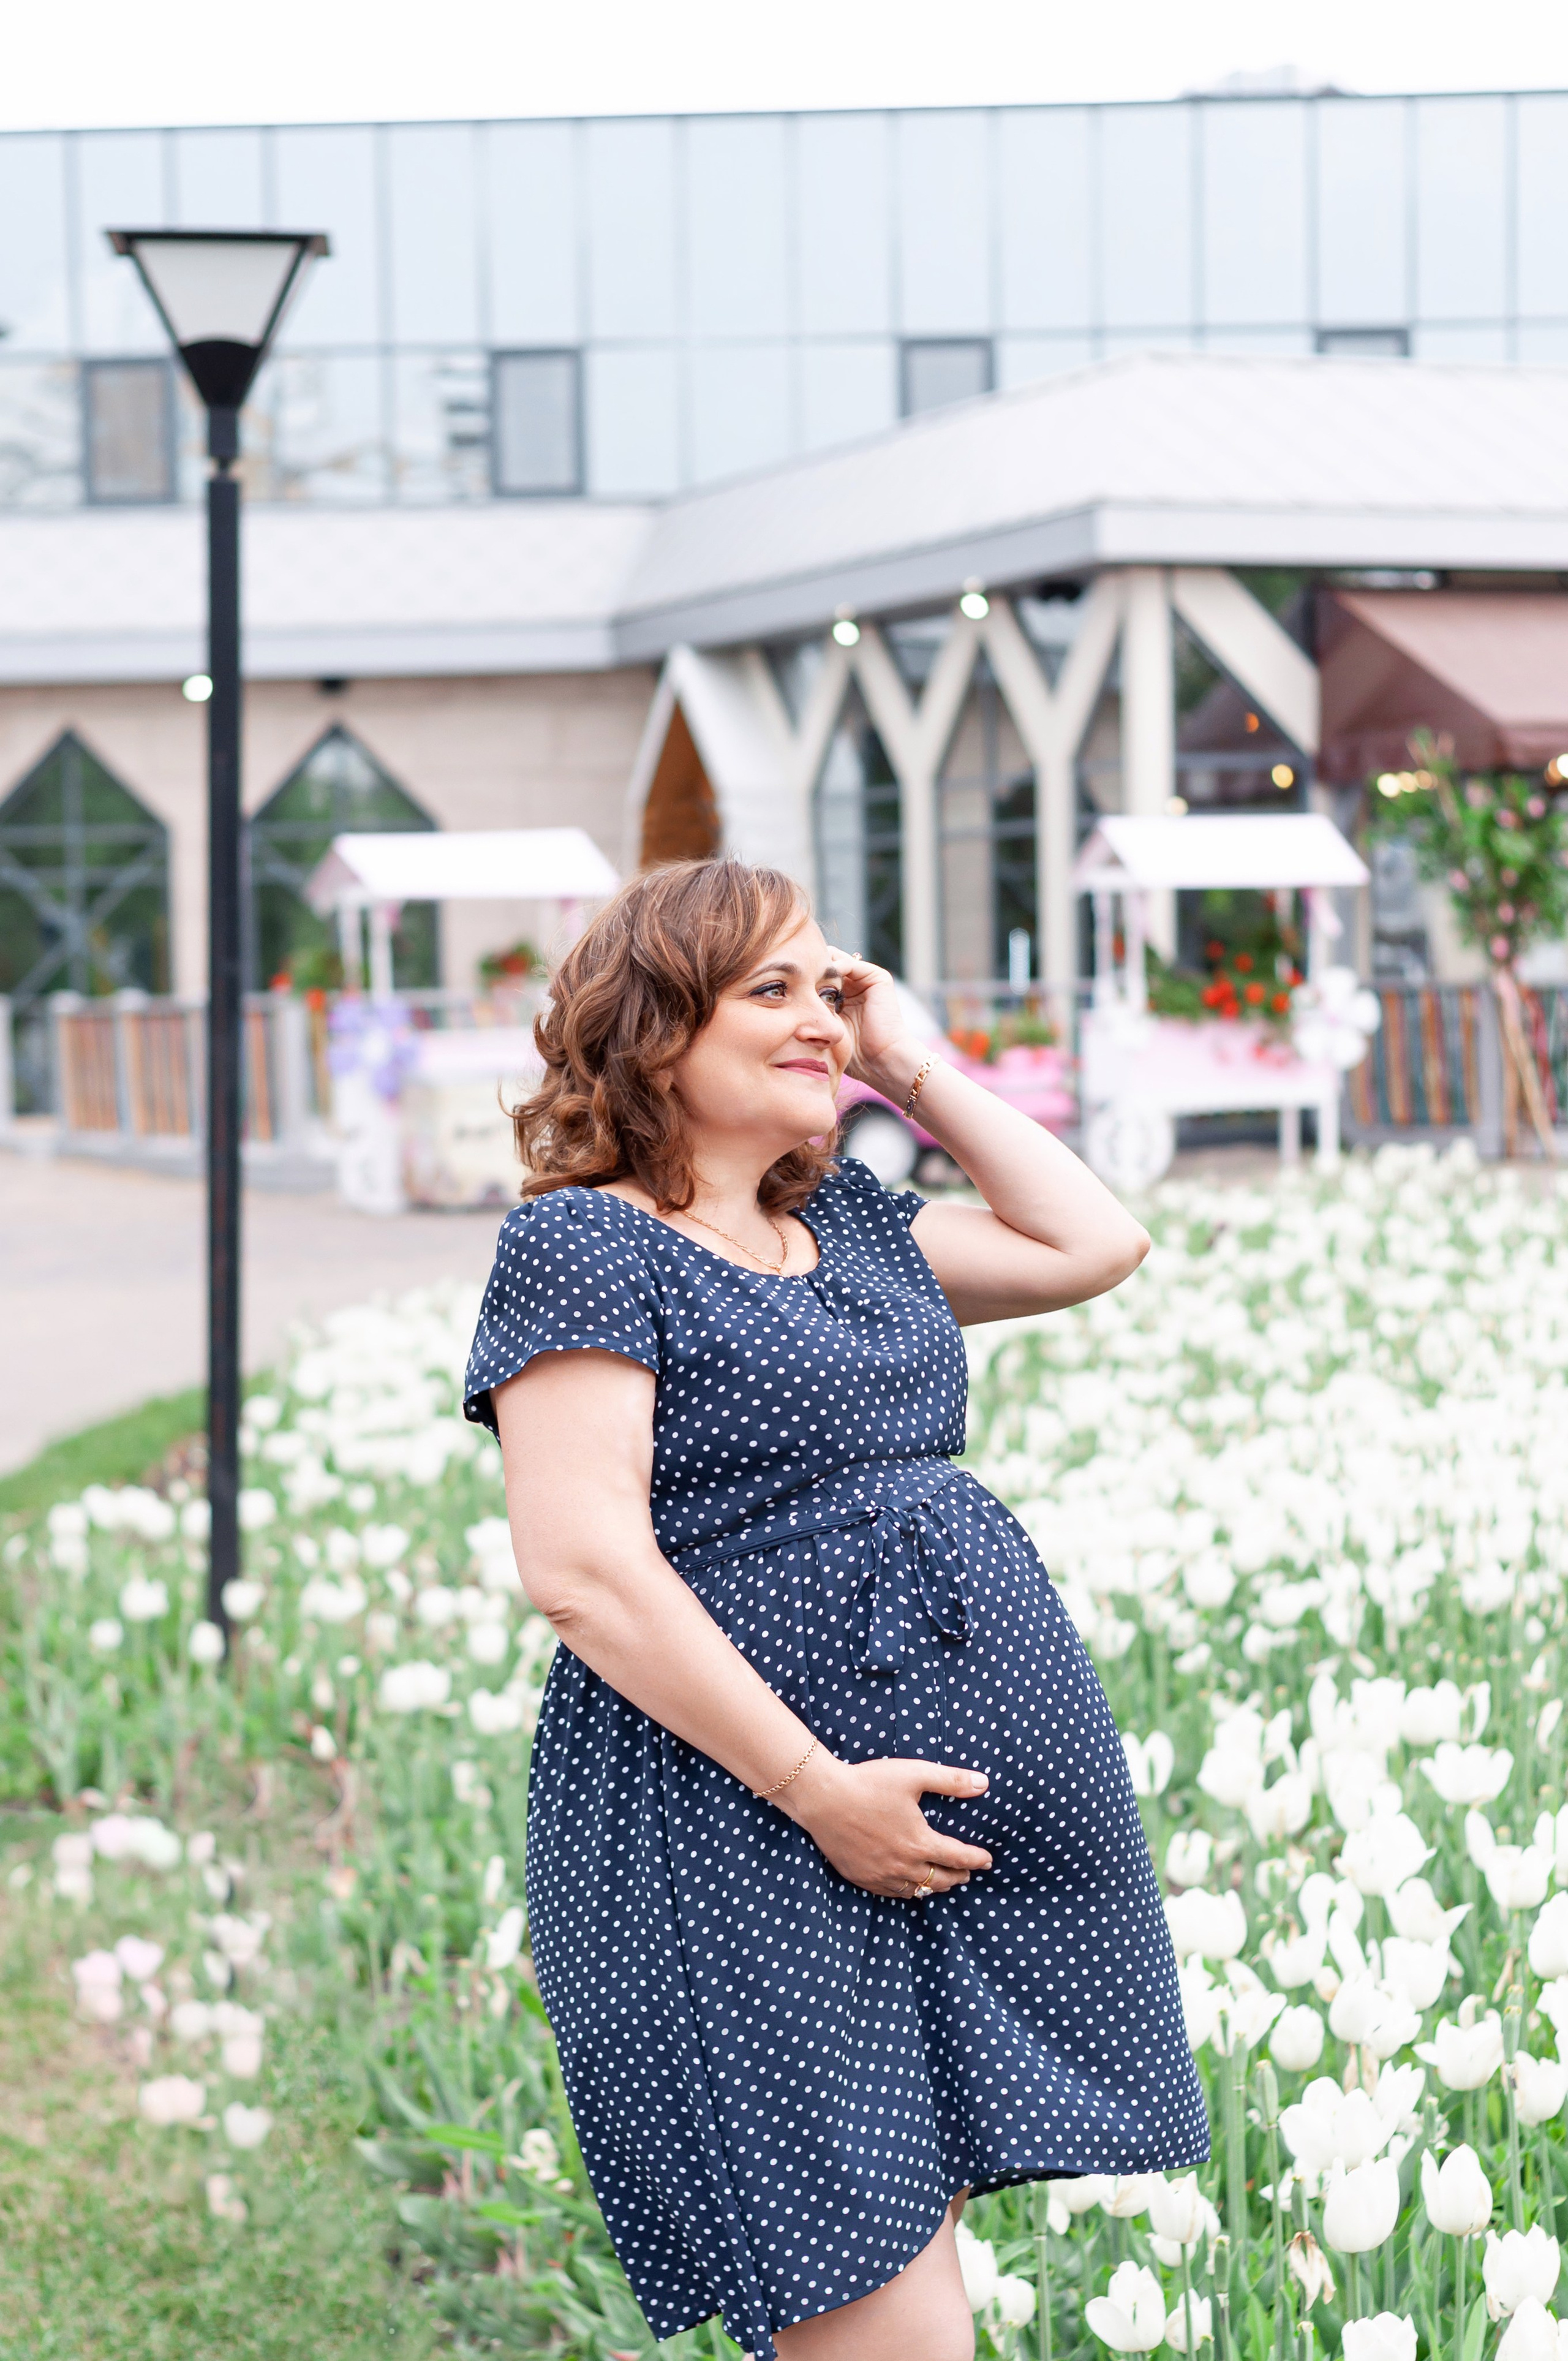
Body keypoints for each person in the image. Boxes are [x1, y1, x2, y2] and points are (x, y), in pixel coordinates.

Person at [464, 859, 1208, 2361]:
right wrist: (819, 1792)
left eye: (831, 985)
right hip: (742, 1821)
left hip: (911, 1831)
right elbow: (585, 1570)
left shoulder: (858, 1232)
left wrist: (905, 1061)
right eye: (774, 990)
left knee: (911, 2277)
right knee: (885, 2323)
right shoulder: (585, 1245)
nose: (821, 1017)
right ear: (657, 1026)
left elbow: (1094, 1243)